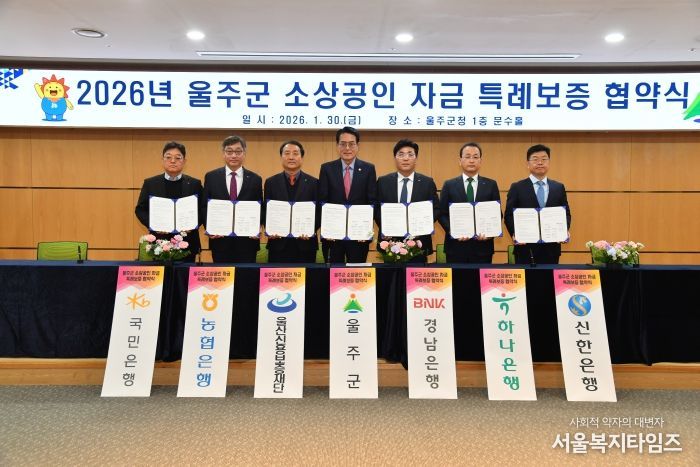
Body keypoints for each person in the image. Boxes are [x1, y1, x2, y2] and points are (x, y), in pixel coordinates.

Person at [135, 141, 202, 262]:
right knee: (161, 274)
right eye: (168, 157)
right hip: (159, 242)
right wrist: (153, 224)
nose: (173, 161)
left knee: (184, 274)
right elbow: (140, 209)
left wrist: (192, 225)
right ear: (162, 160)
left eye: (178, 158)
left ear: (184, 161)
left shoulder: (194, 184)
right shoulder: (151, 183)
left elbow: (203, 209)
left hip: (187, 242)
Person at [504, 144, 571, 264]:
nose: (540, 163)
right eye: (535, 159)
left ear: (549, 162)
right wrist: (515, 233)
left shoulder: (558, 187)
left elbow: (566, 213)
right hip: (525, 249)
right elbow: (509, 215)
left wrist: (564, 230)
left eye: (544, 159)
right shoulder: (517, 187)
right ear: (528, 164)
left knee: (549, 277)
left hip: (551, 249)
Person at [318, 126, 377, 263]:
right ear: (337, 146)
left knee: (356, 272)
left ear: (358, 146)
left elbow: (372, 202)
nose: (347, 148)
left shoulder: (369, 169)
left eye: (351, 144)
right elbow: (322, 200)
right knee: (333, 272)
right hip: (333, 236)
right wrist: (327, 228)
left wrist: (365, 230)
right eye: (343, 144)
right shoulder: (326, 168)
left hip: (359, 237)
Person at [376, 139, 438, 263]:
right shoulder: (383, 182)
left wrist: (423, 226)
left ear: (416, 158)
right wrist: (385, 228)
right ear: (395, 158)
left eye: (410, 154)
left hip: (419, 244)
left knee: (416, 276)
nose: (406, 158)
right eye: (401, 154)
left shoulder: (427, 182)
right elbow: (377, 208)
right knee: (391, 276)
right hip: (390, 243)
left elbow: (436, 209)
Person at [202, 135, 263, 263]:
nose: (234, 155)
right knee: (222, 275)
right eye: (229, 151)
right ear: (223, 154)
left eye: (238, 151)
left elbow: (260, 207)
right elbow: (204, 206)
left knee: (246, 275)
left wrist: (257, 227)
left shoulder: (255, 179)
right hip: (220, 241)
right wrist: (210, 228)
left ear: (244, 153)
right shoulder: (211, 177)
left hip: (247, 242)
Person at [438, 142, 501, 263]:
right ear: (460, 161)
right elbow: (442, 214)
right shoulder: (449, 185)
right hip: (455, 247)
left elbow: (497, 214)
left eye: (475, 157)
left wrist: (490, 233)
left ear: (480, 161)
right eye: (467, 157)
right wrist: (453, 231)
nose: (471, 160)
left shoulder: (491, 185)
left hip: (483, 248)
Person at [263, 140, 319, 263]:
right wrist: (270, 229)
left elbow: (319, 212)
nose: (291, 157)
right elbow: (265, 210)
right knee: (277, 276)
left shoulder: (314, 183)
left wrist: (310, 230)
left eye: (295, 153)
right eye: (287, 153)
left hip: (306, 245)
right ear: (281, 157)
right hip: (278, 244)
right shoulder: (271, 182)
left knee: (307, 276)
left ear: (302, 157)